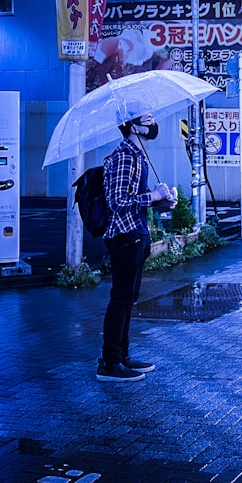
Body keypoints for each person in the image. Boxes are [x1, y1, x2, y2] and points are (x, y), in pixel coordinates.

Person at [96, 113, 177, 382]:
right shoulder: (124, 157)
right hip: (124, 236)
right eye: (146, 119)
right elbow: (117, 201)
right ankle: (109, 363)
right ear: (131, 126)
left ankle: (122, 356)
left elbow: (134, 200)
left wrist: (161, 201)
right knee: (120, 299)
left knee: (128, 299)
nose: (153, 124)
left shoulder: (138, 156)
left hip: (136, 233)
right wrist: (152, 195)